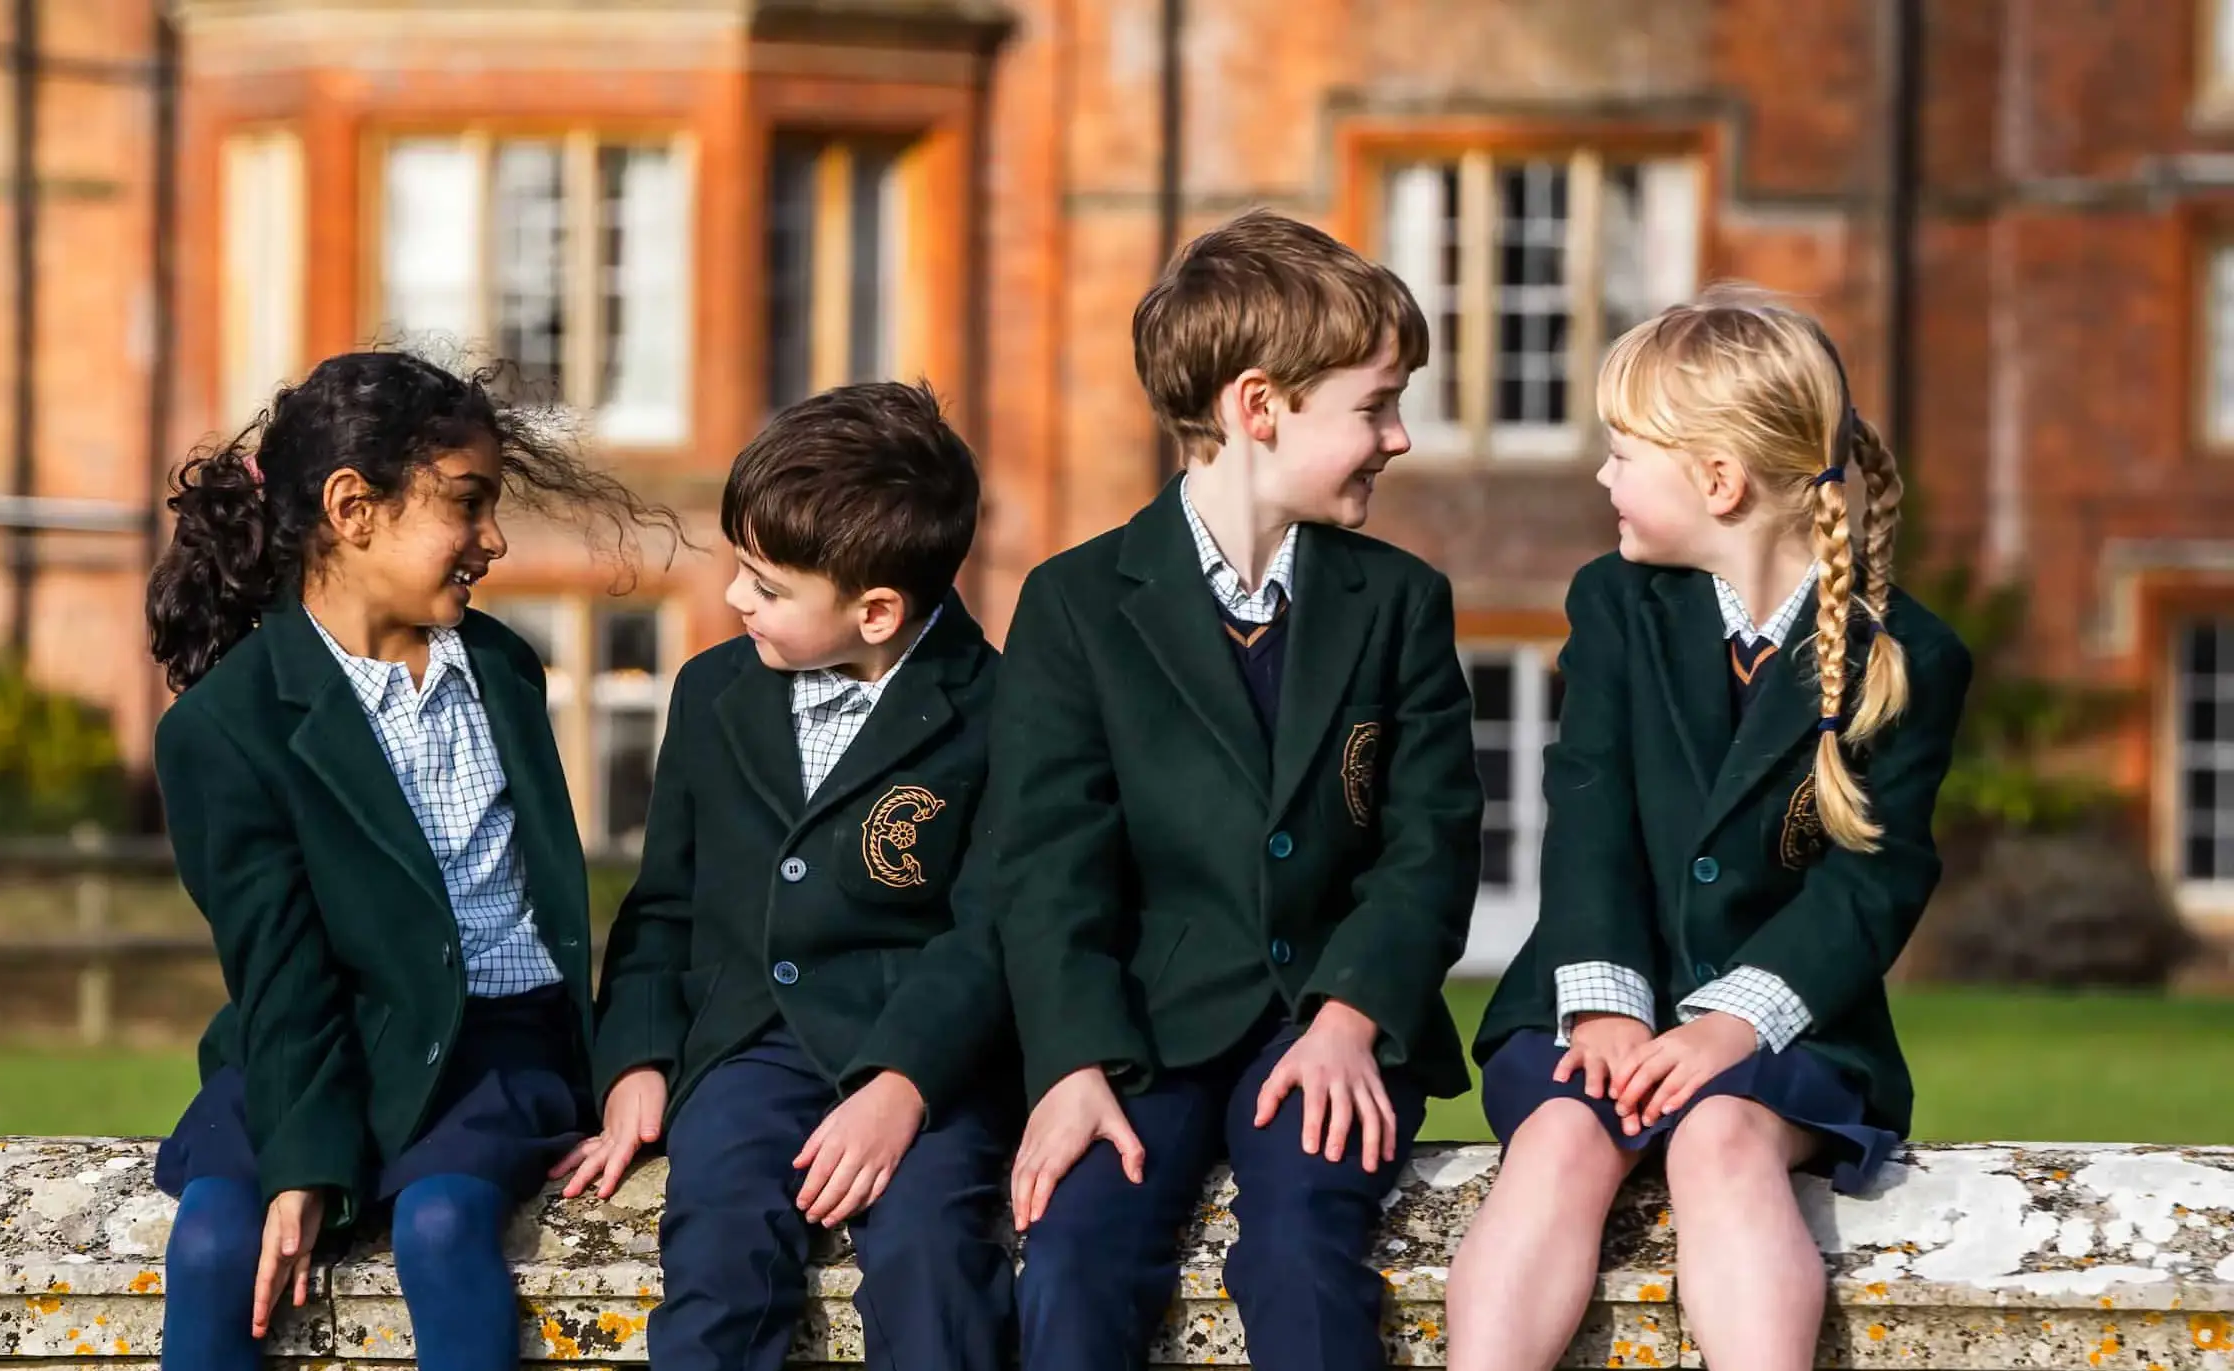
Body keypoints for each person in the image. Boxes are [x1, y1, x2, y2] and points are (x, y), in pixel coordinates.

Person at [990, 208, 1484, 1371]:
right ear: (1256, 408)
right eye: (1373, 407)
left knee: (1300, 1250)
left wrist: (1349, 1019)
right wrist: (1070, 1067)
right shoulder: (1073, 605)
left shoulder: (1399, 602)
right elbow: (1045, 866)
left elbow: (1430, 845)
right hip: (1142, 1037)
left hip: (1331, 1022)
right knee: (1070, 1256)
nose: (1398, 439)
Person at [1449, 291, 1974, 1371]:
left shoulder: (1906, 656)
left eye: (1621, 452)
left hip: (1789, 1027)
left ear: (1719, 482)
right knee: (1555, 1143)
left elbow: (1871, 884)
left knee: (1720, 1143)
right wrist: (1602, 1007)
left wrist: (1731, 1027)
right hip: (1596, 994)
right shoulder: (1614, 605)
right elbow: (1584, 806)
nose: (1602, 477)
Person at [145, 349, 673, 1371]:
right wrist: (304, 1162)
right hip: (312, 1036)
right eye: (467, 505)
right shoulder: (225, 726)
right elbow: (280, 968)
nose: (494, 539)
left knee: (439, 1226)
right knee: (213, 1240)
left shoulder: (505, 671)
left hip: (497, 1045)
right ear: (353, 508)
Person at [562, 380, 1016, 1371]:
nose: (734, 599)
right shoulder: (712, 689)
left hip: (924, 1062)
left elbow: (992, 930)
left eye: (765, 586)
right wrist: (636, 1062)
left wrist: (903, 1084)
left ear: (877, 609)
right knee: (717, 1242)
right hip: (745, 1049)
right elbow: (666, 905)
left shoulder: (1002, 712)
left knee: (934, 1255)